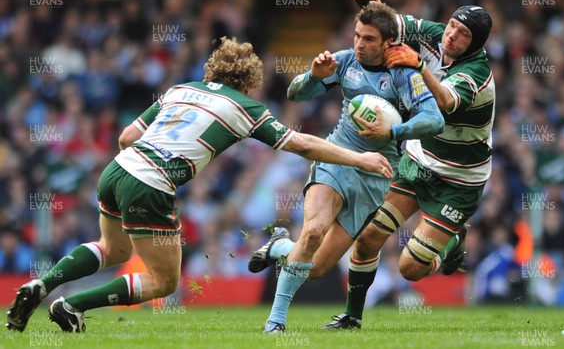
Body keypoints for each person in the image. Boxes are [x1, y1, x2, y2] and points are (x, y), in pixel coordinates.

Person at [5, 37, 394, 333]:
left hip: (117, 170)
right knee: (164, 281)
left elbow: (126, 137)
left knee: (112, 248)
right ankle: (71, 305)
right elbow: (303, 144)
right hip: (150, 183)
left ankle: (44, 283)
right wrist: (361, 157)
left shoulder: (178, 90)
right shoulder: (245, 108)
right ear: (250, 81)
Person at [251, 2, 445, 333]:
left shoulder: (404, 74)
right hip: (337, 157)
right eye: (357, 35)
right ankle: (275, 322)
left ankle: (279, 246)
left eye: (368, 38)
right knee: (313, 231)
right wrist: (313, 75)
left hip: (376, 174)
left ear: (387, 43)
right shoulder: (343, 61)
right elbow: (295, 94)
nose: (359, 44)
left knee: (317, 267)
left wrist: (393, 132)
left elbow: (435, 119)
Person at [322, 0, 495, 329]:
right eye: (453, 26)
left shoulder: (478, 73)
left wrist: (417, 65)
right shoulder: (436, 33)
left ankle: (453, 243)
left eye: (463, 35)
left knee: (410, 268)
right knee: (369, 236)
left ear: (476, 45)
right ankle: (352, 317)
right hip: (419, 160)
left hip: (459, 180)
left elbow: (444, 101)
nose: (452, 36)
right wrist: (374, 7)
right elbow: (393, 23)